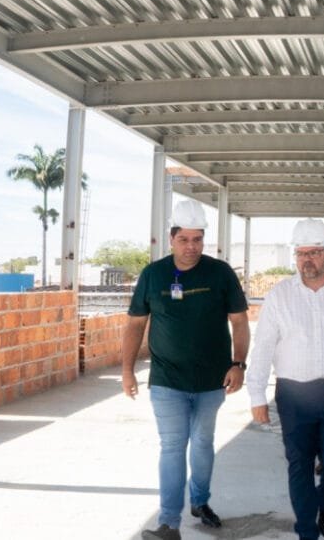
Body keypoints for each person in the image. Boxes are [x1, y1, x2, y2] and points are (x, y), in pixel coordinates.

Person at [122, 199, 251, 540]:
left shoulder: (220, 273)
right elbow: (135, 324)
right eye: (184, 240)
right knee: (173, 446)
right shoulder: (153, 275)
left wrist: (238, 364)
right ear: (171, 238)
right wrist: (127, 370)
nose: (191, 247)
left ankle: (200, 500)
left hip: (212, 380)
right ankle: (169, 523)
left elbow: (239, 321)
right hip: (167, 379)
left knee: (203, 444)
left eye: (197, 239)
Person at [248, 218, 324, 540]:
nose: (307, 260)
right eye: (301, 253)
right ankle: (307, 532)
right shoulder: (280, 296)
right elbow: (263, 347)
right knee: (299, 464)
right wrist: (256, 395)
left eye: (314, 253)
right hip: (293, 395)